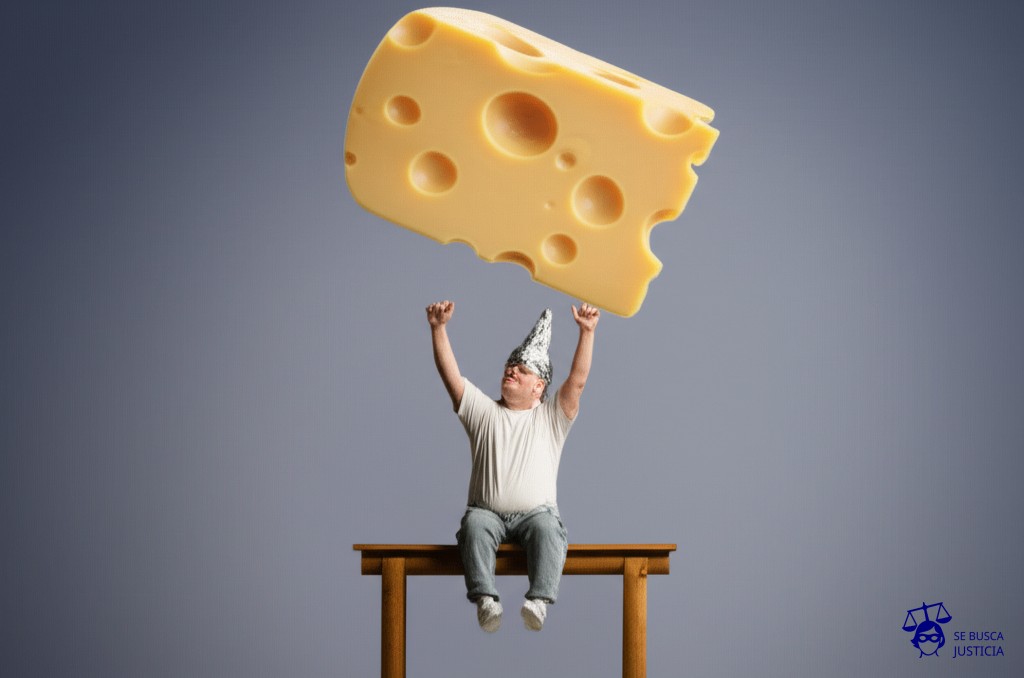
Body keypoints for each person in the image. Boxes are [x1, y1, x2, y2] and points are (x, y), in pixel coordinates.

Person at [425, 300, 600, 632]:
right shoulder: (484, 412)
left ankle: (539, 600)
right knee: (474, 526)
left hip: (537, 513)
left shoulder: (550, 417)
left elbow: (576, 382)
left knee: (549, 530)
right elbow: (451, 377)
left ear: (539, 387)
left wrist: (587, 333)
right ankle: (486, 599)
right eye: (509, 365)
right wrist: (438, 329)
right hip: (486, 511)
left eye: (522, 369)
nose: (511, 370)